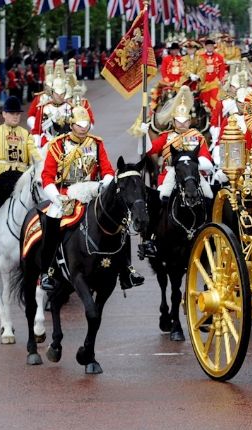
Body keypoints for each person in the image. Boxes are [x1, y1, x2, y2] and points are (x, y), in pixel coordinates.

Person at [39, 106, 144, 290]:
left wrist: (105, 184)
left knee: (120, 218)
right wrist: (56, 197)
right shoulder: (58, 145)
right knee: (51, 220)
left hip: (92, 191)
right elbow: (47, 176)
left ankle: (127, 269)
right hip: (66, 195)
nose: (83, 128)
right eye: (79, 125)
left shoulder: (96, 143)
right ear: (72, 125)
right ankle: (48, 271)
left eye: (86, 125)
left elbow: (107, 170)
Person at [139, 87, 214, 258]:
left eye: (185, 121)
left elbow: (206, 159)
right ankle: (151, 238)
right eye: (179, 121)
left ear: (190, 121)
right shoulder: (166, 137)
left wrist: (195, 165)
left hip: (192, 174)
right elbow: (150, 152)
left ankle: (213, 230)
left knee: (210, 196)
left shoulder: (197, 136)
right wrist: (143, 136)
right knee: (158, 200)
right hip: (170, 174)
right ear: (173, 121)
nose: (182, 124)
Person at [0, 97, 42, 213]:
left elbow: (34, 154)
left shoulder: (26, 134)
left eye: (17, 114)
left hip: (20, 180)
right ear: (4, 114)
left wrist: (41, 163)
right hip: (0, 180)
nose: (15, 116)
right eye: (11, 113)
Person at [198, 39, 227, 110]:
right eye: (208, 46)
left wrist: (221, 79)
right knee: (205, 100)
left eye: (211, 46)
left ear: (213, 47)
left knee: (214, 99)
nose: (210, 47)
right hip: (204, 83)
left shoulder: (219, 57)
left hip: (215, 82)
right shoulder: (200, 57)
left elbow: (222, 70)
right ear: (205, 47)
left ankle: (214, 114)